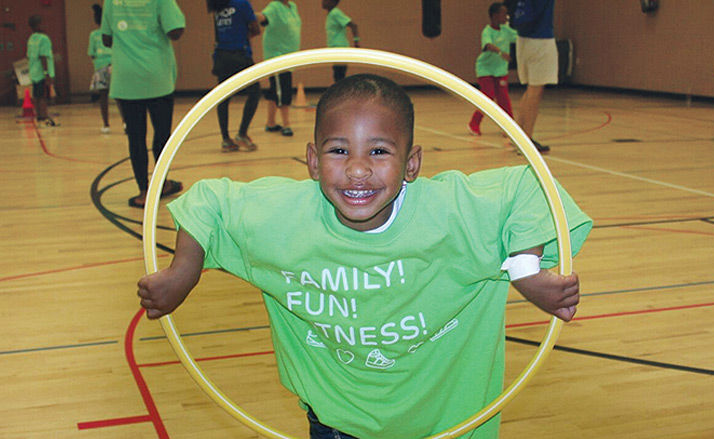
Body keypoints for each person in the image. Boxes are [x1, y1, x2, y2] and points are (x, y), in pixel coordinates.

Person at [137, 74, 592, 438]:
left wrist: (524, 269)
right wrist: (183, 272)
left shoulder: (449, 212)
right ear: (313, 161)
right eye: (339, 151)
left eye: (379, 151)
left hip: (451, 424)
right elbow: (207, 202)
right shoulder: (285, 216)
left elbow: (530, 185)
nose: (357, 169)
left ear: (411, 163)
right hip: (338, 425)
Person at [101, 0, 186, 208]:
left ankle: (143, 192)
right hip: (156, 76)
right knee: (162, 134)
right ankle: (161, 183)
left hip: (126, 77)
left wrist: (129, 35)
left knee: (136, 136)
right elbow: (176, 30)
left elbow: (106, 38)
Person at [208, 0, 262, 153]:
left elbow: (218, 34)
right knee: (254, 92)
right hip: (240, 55)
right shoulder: (242, 3)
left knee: (223, 98)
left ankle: (226, 140)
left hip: (222, 56)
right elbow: (255, 29)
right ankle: (242, 133)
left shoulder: (216, 5)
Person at [508, 0, 557, 153]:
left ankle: (519, 137)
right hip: (540, 40)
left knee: (530, 89)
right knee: (535, 91)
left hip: (523, 40)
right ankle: (526, 141)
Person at [468, 3, 516, 137]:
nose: (506, 16)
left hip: (500, 70)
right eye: (503, 13)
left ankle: (510, 127)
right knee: (488, 97)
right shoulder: (487, 31)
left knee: (503, 98)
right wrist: (501, 53)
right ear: (495, 16)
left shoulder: (506, 30)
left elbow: (519, 37)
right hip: (485, 69)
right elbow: (488, 45)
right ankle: (474, 123)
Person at [258, 0, 301, 137]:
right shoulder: (274, 6)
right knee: (283, 90)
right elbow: (263, 17)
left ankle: (270, 123)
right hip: (277, 56)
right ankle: (286, 124)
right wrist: (247, 14)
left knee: (274, 91)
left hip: (289, 56)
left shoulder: (292, 6)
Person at [26, 15, 57, 126]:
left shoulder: (31, 39)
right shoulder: (44, 39)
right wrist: (47, 73)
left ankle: (39, 117)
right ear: (38, 24)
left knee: (37, 96)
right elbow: (43, 57)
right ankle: (44, 118)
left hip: (34, 72)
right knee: (43, 96)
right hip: (42, 73)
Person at [88, 4, 114, 134]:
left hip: (100, 67)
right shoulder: (113, 32)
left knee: (103, 97)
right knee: (119, 96)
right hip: (113, 65)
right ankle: (125, 123)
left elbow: (92, 53)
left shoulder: (93, 35)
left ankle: (106, 124)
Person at [322, 0, 359, 83]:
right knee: (338, 74)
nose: (323, 2)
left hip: (340, 48)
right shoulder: (331, 14)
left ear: (333, 2)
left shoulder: (335, 13)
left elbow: (353, 25)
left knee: (339, 75)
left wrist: (356, 42)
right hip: (335, 48)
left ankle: (340, 93)